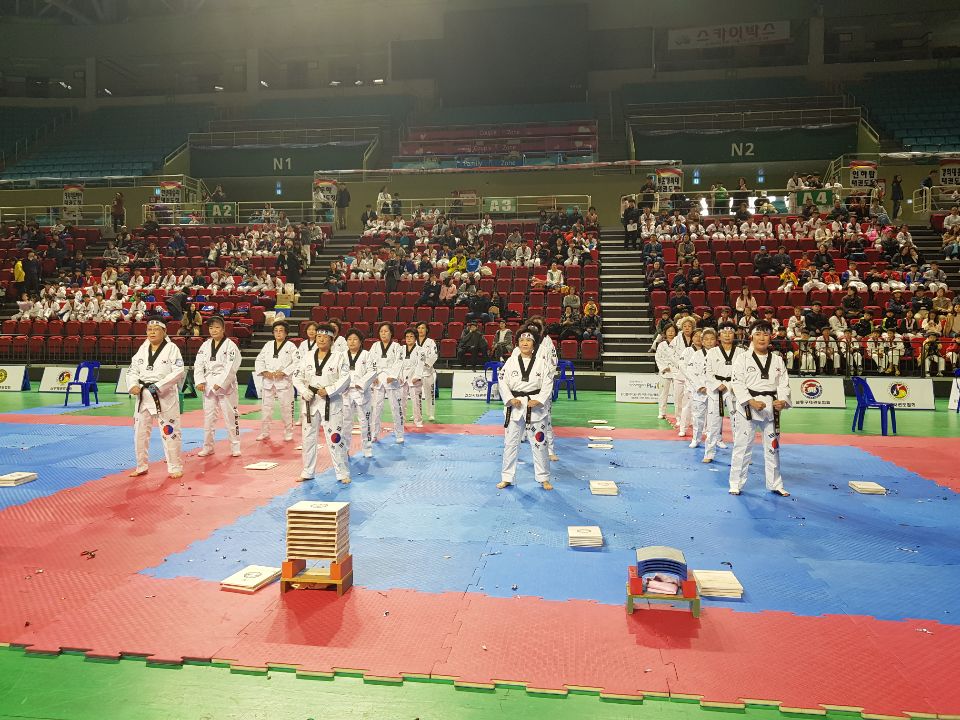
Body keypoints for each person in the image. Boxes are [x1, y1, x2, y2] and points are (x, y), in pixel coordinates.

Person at [728, 321, 792, 497]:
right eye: (758, 334)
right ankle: (736, 483)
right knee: (742, 446)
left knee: (773, 447)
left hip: (771, 407)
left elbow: (784, 384)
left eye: (765, 334)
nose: (762, 338)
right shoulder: (742, 358)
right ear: (751, 337)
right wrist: (750, 401)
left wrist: (782, 400)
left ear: (771, 337)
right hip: (748, 408)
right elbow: (737, 383)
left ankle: (775, 483)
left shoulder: (778, 359)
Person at [127, 317, 186, 479]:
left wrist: (159, 385)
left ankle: (174, 466)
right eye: (149, 329)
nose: (152, 332)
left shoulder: (172, 348)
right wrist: (132, 384)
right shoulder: (142, 348)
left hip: (164, 395)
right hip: (143, 395)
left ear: (164, 331)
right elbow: (132, 370)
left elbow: (179, 371)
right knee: (139, 432)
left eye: (156, 329)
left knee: (170, 431)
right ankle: (141, 466)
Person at [293, 323, 352, 484]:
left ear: (332, 339)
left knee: (335, 438)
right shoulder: (307, 356)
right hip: (310, 401)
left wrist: (330, 389)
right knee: (308, 438)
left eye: (325, 337)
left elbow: (346, 378)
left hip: (331, 402)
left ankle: (342, 473)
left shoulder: (339, 357)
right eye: (318, 336)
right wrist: (304, 391)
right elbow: (296, 376)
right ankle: (307, 471)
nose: (321, 339)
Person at [497, 328, 554, 491]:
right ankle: (507, 477)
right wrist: (509, 398)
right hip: (515, 407)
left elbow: (548, 383)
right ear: (518, 344)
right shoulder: (511, 362)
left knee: (539, 442)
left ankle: (543, 477)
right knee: (510, 444)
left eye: (528, 341)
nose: (525, 343)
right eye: (522, 341)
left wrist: (540, 400)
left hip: (535, 407)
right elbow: (502, 382)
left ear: (534, 345)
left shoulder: (541, 363)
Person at [193, 315, 242, 458]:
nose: (213, 330)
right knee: (208, 418)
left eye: (217, 327)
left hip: (226, 386)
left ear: (223, 329)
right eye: (211, 327)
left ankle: (235, 445)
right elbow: (198, 364)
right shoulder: (205, 345)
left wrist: (220, 383)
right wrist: (200, 380)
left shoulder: (230, 345)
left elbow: (232, 367)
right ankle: (208, 447)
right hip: (208, 385)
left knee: (230, 416)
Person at [703, 322, 744, 463]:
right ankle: (709, 453)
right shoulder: (712, 352)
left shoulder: (741, 352)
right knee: (714, 423)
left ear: (735, 335)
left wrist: (733, 385)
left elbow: (743, 373)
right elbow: (707, 372)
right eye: (724, 332)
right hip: (717, 390)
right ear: (719, 335)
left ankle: (741, 454)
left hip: (734, 389)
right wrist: (716, 384)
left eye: (730, 332)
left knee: (737, 423)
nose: (727, 335)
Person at [254, 320, 299, 442]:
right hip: (268, 381)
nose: (278, 333)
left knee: (286, 408)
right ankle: (264, 432)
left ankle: (288, 431)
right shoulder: (268, 345)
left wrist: (284, 372)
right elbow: (259, 360)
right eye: (276, 331)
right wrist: (264, 372)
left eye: (281, 331)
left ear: (286, 333)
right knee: (266, 408)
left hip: (283, 381)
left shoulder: (291, 346)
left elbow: (297, 362)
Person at [369, 322, 405, 444]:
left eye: (386, 331)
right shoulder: (374, 346)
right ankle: (374, 434)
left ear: (391, 333)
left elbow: (399, 362)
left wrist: (394, 375)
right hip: (378, 379)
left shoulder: (397, 346)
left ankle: (399, 434)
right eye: (381, 331)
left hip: (391, 379)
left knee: (396, 407)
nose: (383, 333)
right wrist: (373, 375)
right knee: (376, 408)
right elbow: (370, 361)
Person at [343, 329, 376, 459]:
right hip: (345, 393)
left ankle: (367, 449)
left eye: (355, 339)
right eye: (349, 339)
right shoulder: (341, 356)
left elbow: (373, 372)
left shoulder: (367, 355)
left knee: (365, 421)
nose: (352, 342)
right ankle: (344, 449)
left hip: (361, 392)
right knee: (345, 423)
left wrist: (361, 383)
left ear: (361, 341)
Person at [683, 329, 709, 450]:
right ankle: (696, 439)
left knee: (715, 418)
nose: (709, 342)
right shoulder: (695, 354)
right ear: (703, 341)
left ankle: (716, 439)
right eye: (706, 339)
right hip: (699, 389)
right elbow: (690, 372)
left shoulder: (717, 354)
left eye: (712, 339)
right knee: (697, 416)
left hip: (713, 389)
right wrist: (700, 386)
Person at [671, 317, 696, 436]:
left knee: (689, 399)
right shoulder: (676, 339)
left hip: (692, 374)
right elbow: (671, 354)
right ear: (682, 327)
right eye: (685, 326)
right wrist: (678, 366)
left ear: (692, 327)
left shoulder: (697, 339)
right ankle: (679, 418)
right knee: (678, 397)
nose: (687, 328)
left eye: (689, 326)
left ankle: (690, 419)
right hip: (678, 372)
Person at [399, 329, 425, 429]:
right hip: (402, 377)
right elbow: (398, 363)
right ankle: (401, 420)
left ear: (415, 338)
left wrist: (417, 376)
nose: (409, 339)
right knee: (401, 401)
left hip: (414, 377)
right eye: (407, 337)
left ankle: (418, 420)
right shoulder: (401, 349)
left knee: (416, 401)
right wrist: (399, 376)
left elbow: (421, 364)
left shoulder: (420, 350)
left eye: (411, 336)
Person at [416, 322, 438, 422]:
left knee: (430, 395)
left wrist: (426, 364)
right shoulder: (413, 341)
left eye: (423, 328)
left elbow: (434, 355)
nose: (420, 330)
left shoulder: (430, 342)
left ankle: (431, 414)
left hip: (428, 372)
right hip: (416, 373)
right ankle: (417, 413)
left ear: (427, 330)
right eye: (419, 328)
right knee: (416, 395)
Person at [655, 325, 678, 419]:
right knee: (663, 393)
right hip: (665, 371)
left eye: (673, 331)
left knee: (678, 394)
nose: (671, 333)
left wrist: (672, 367)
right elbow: (657, 358)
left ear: (676, 332)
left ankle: (678, 414)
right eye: (669, 331)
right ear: (665, 333)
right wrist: (664, 368)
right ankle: (662, 412)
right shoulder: (661, 345)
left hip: (677, 371)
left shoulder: (679, 344)